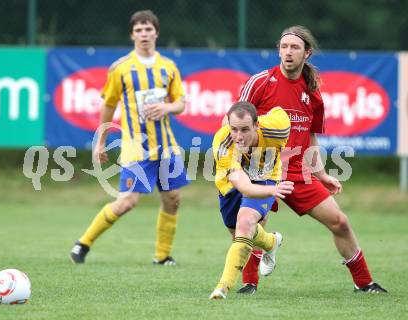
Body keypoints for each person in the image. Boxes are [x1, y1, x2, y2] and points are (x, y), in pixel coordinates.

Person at [238, 25, 387, 294]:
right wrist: (235, 165)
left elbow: (310, 140)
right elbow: (234, 124)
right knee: (254, 223)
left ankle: (364, 283)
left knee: (339, 221)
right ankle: (249, 284)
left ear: (307, 53)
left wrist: (323, 174)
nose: (288, 52)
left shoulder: (313, 93)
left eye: (295, 47)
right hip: (261, 168)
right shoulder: (260, 82)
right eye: (284, 47)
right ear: (278, 51)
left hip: (297, 171)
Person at [70, 10, 189, 266]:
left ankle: (162, 256)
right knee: (126, 202)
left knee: (173, 199)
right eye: (138, 30)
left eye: (148, 29)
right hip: (136, 147)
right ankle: (83, 244)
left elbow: (181, 103)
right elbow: (108, 105)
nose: (144, 34)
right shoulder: (121, 68)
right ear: (132, 35)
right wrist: (100, 140)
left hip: (166, 146)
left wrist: (166, 108)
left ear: (156, 33)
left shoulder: (168, 67)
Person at [209, 101, 294, 300]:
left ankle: (222, 287)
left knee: (245, 223)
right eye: (234, 129)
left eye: (245, 129)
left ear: (257, 125)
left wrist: (270, 187)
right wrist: (274, 190)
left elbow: (278, 109)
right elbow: (244, 187)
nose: (239, 137)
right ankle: (271, 242)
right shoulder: (223, 144)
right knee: (235, 229)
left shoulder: (277, 129)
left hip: (264, 176)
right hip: (232, 184)